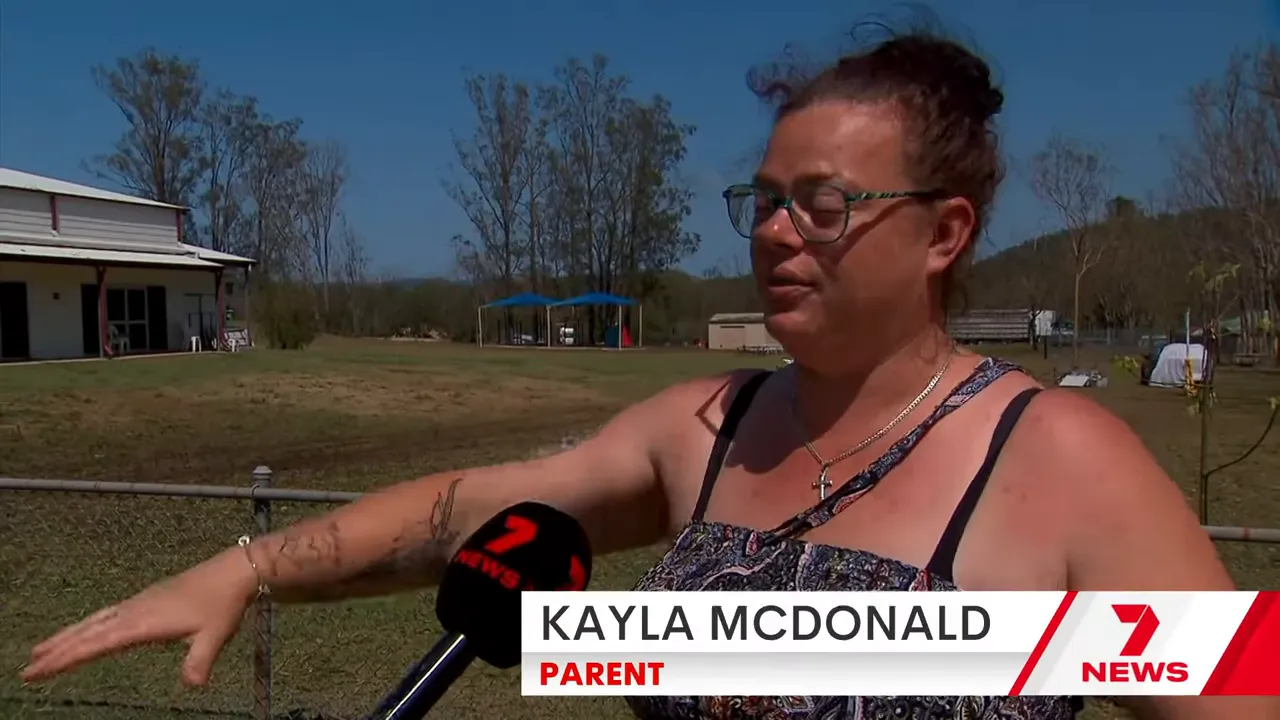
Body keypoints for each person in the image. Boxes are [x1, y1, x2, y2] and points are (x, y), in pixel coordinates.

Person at [21, 22, 1276, 720]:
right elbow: (470, 513)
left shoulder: (1058, 461)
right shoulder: (707, 427)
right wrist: (245, 567)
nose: (776, 231)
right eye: (765, 200)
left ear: (943, 232)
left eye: (825, 204)